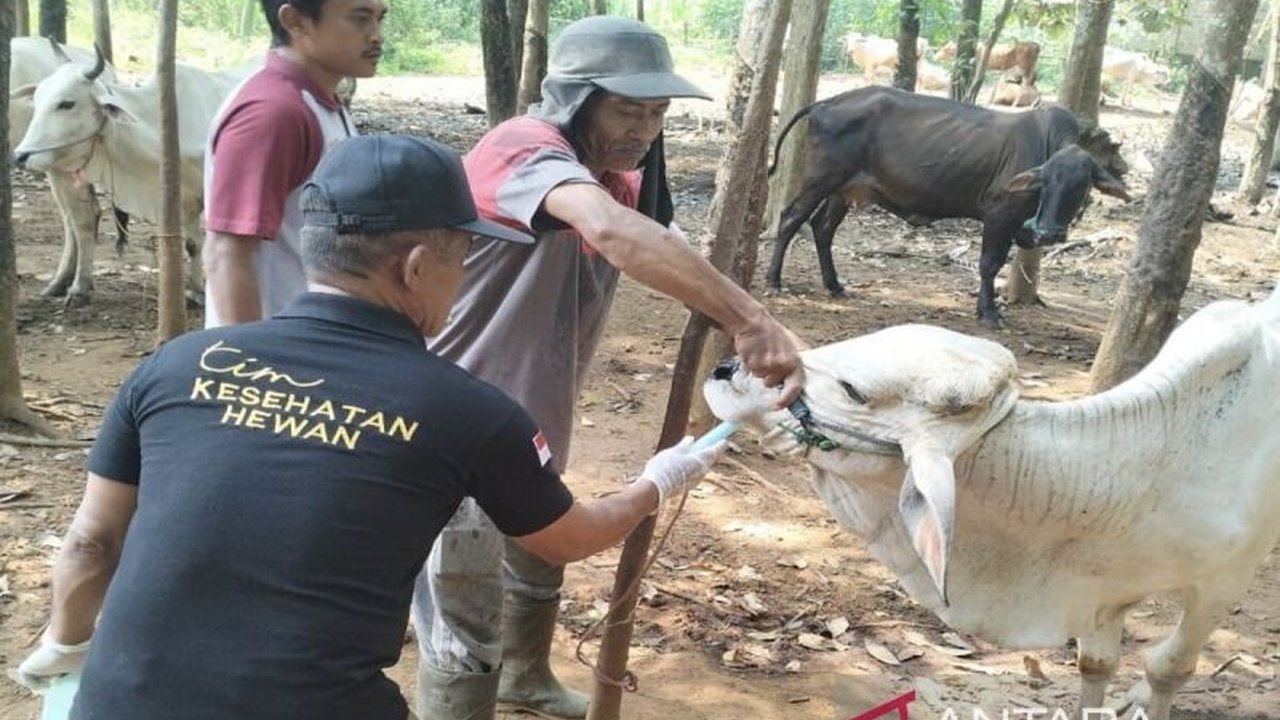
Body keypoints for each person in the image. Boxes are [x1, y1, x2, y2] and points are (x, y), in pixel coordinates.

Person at [13, 135, 726, 720]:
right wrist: (661, 480)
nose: (462, 279)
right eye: (462, 257)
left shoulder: (177, 364)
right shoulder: (468, 412)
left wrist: (66, 650)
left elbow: (90, 543)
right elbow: (568, 539)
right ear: (416, 268)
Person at [413, 16, 806, 720]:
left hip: (529, 410)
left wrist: (763, 327)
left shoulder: (613, 177)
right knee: (463, 603)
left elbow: (665, 246)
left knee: (536, 553)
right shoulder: (523, 149)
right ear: (575, 99)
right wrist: (750, 319)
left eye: (657, 113)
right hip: (457, 416)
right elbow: (611, 231)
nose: (644, 129)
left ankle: (525, 677)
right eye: (628, 110)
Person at [203, 0, 385, 327]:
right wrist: (249, 354)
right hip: (278, 345)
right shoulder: (273, 113)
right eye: (360, 19)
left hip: (310, 338)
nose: (376, 36)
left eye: (379, 19)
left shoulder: (319, 103)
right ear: (294, 21)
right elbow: (226, 253)